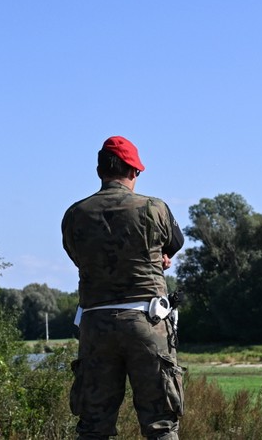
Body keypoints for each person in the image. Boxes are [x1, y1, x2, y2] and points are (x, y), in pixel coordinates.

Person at [62, 136, 185, 440]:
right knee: (161, 425)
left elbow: (78, 256)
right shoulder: (154, 208)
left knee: (93, 427)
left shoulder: (75, 214)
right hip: (147, 322)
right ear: (133, 171)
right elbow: (175, 243)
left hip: (95, 325)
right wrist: (156, 258)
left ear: (99, 170)